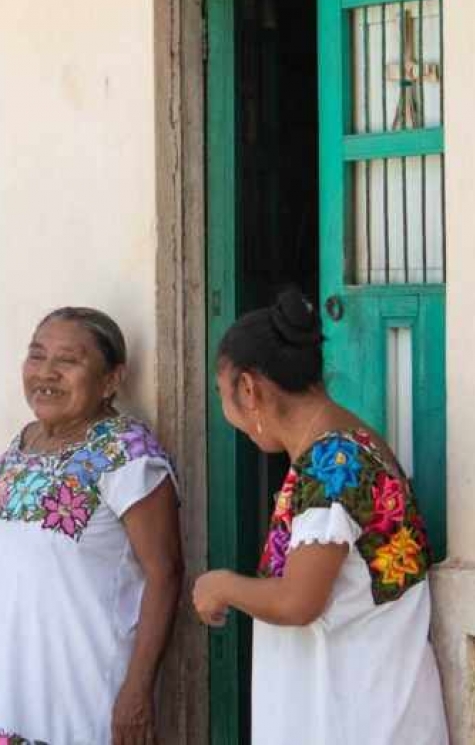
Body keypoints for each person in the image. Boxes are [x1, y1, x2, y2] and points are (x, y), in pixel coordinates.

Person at [192, 289, 448, 745]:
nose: (227, 411)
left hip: (353, 721)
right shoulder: (354, 441)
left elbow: (297, 601)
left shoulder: (331, 466)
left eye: (223, 394)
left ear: (248, 390)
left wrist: (220, 586)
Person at [0, 308, 184, 745]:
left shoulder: (128, 454)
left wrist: (137, 691)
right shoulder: (19, 448)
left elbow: (165, 573)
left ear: (112, 380)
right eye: (37, 357)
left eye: (68, 361)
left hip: (75, 700)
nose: (46, 373)